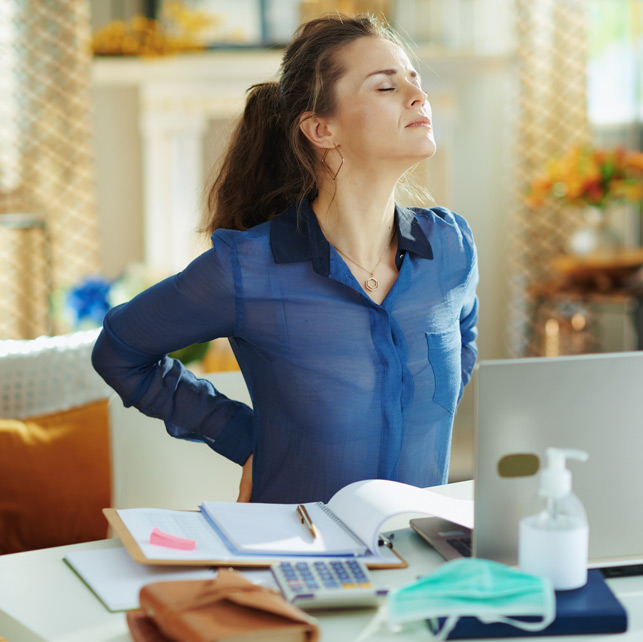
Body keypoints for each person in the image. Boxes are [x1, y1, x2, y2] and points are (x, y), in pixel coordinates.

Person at [92, 13, 479, 505]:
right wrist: (242, 437)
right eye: (385, 87)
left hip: (419, 555)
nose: (416, 94)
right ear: (321, 129)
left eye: (413, 79)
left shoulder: (450, 247)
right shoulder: (248, 268)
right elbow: (120, 350)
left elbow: (463, 336)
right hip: (299, 561)